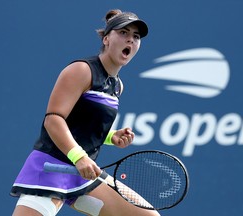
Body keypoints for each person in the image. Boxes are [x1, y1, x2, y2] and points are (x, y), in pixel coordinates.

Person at [11, 9, 160, 216]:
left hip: (81, 176)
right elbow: (54, 120)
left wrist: (110, 137)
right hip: (51, 169)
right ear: (106, 39)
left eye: (136, 37)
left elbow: (82, 125)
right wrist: (79, 157)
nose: (131, 40)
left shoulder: (117, 86)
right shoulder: (82, 70)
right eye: (124, 33)